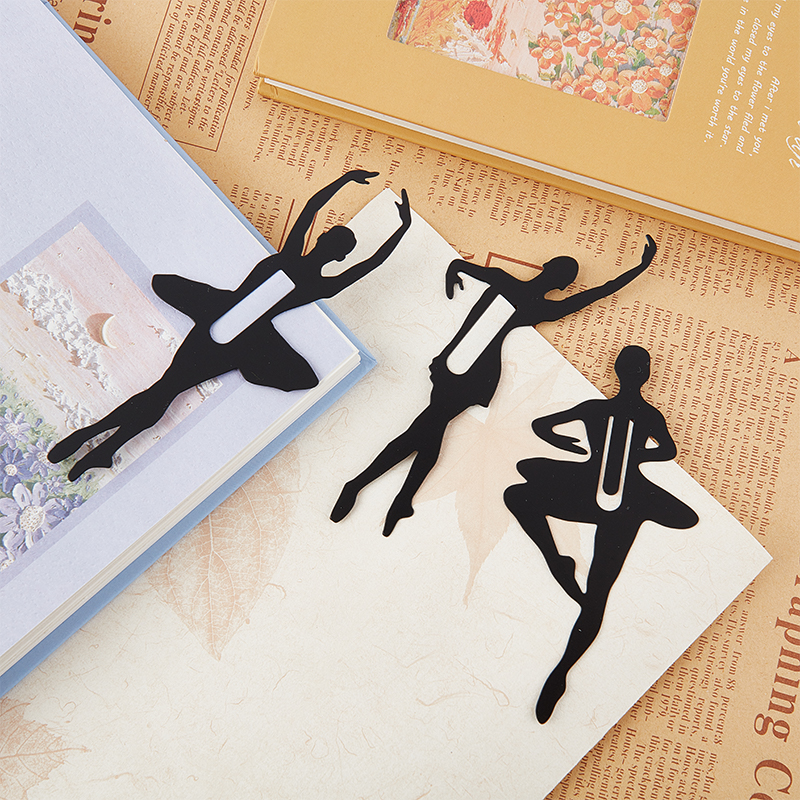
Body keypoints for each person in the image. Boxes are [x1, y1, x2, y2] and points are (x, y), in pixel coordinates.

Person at [50, 170, 411, 480]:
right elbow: (325, 219)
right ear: (329, 245)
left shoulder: (304, 271)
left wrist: (389, 217)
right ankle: (103, 444)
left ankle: (95, 438)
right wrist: (363, 194)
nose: (328, 241)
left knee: (168, 387)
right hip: (227, 327)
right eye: (331, 237)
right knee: (168, 388)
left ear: (331, 248)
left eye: (332, 240)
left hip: (231, 329)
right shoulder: (308, 274)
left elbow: (358, 251)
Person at [331, 235, 657, 537]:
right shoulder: (536, 303)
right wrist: (638, 269)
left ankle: (372, 488)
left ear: (550, 272)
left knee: (429, 428)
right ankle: (380, 491)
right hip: (470, 368)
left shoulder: (509, 285)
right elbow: (598, 293)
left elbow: (459, 267)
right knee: (429, 430)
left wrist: (453, 275)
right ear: (559, 282)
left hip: (464, 365)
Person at [503, 345, 698, 723]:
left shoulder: (595, 408)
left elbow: (543, 426)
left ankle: (554, 558)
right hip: (625, 501)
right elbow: (669, 451)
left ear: (618, 370)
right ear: (645, 374)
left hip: (588, 490)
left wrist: (565, 444)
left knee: (518, 494)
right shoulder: (649, 415)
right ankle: (562, 668)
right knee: (598, 594)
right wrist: (638, 456)